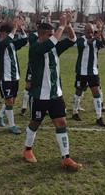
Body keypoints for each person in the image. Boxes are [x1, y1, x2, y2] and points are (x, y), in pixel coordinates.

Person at [22, 11, 83, 171]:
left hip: (56, 94)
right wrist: (61, 26)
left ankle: (66, 158)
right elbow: (51, 42)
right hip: (39, 96)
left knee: (61, 123)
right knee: (35, 123)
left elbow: (72, 39)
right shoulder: (35, 48)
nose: (54, 36)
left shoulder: (54, 48)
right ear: (42, 36)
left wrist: (68, 25)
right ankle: (27, 150)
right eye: (50, 34)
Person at [0, 18, 28, 134]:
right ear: (3, 33)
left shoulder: (11, 44)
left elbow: (25, 40)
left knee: (11, 101)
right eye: (8, 33)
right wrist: (14, 28)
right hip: (5, 77)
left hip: (15, 77)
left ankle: (0, 115)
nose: (11, 35)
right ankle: (12, 125)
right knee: (8, 101)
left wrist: (21, 28)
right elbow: (6, 41)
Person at [72, 19, 105, 127]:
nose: (90, 34)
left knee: (96, 93)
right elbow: (87, 44)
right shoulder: (80, 40)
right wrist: (97, 35)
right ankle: (75, 112)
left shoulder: (95, 40)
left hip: (93, 72)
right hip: (81, 72)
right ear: (84, 32)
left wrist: (102, 31)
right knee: (79, 92)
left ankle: (99, 117)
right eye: (88, 32)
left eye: (92, 31)